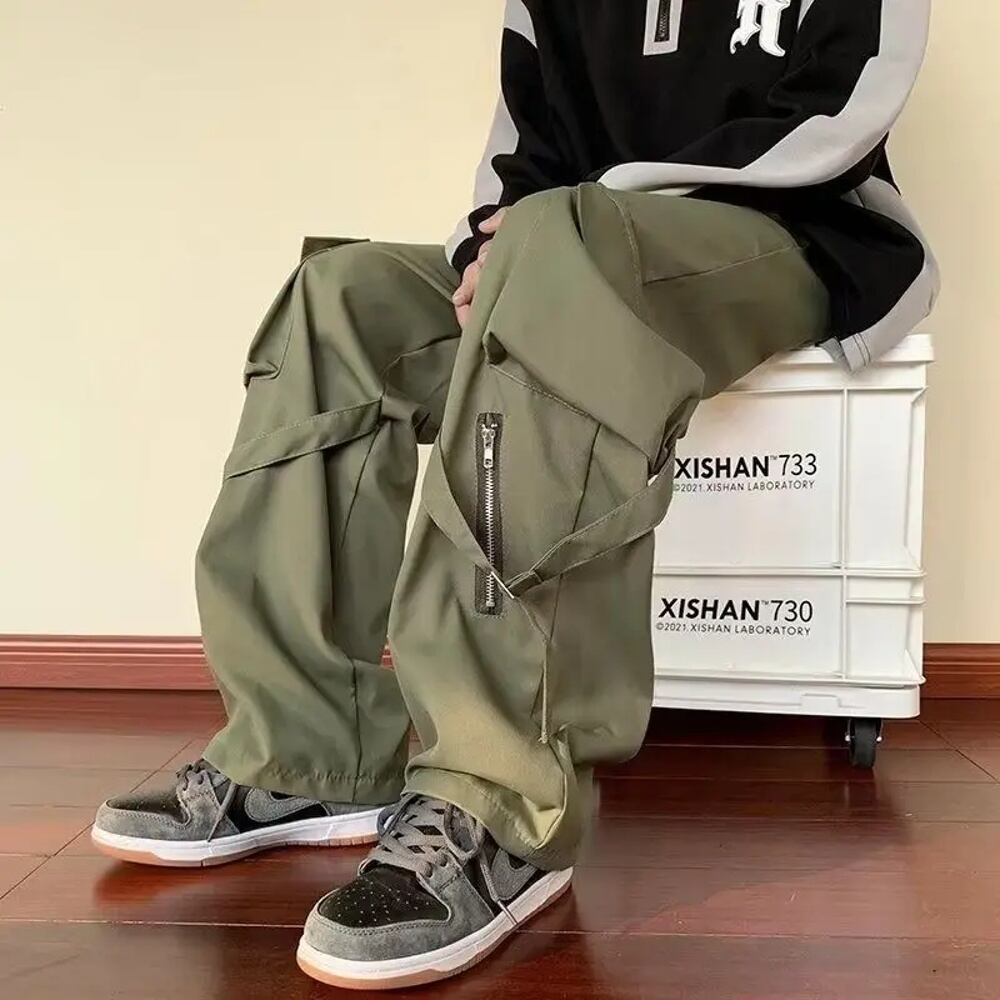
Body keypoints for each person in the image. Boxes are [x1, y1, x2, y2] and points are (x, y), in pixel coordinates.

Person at [92, 0, 937, 990]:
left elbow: (842, 111)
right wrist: (484, 253)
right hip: (562, 245)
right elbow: (522, 152)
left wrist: (577, 220)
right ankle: (304, 752)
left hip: (789, 238)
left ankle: (499, 802)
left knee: (561, 246)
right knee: (341, 300)